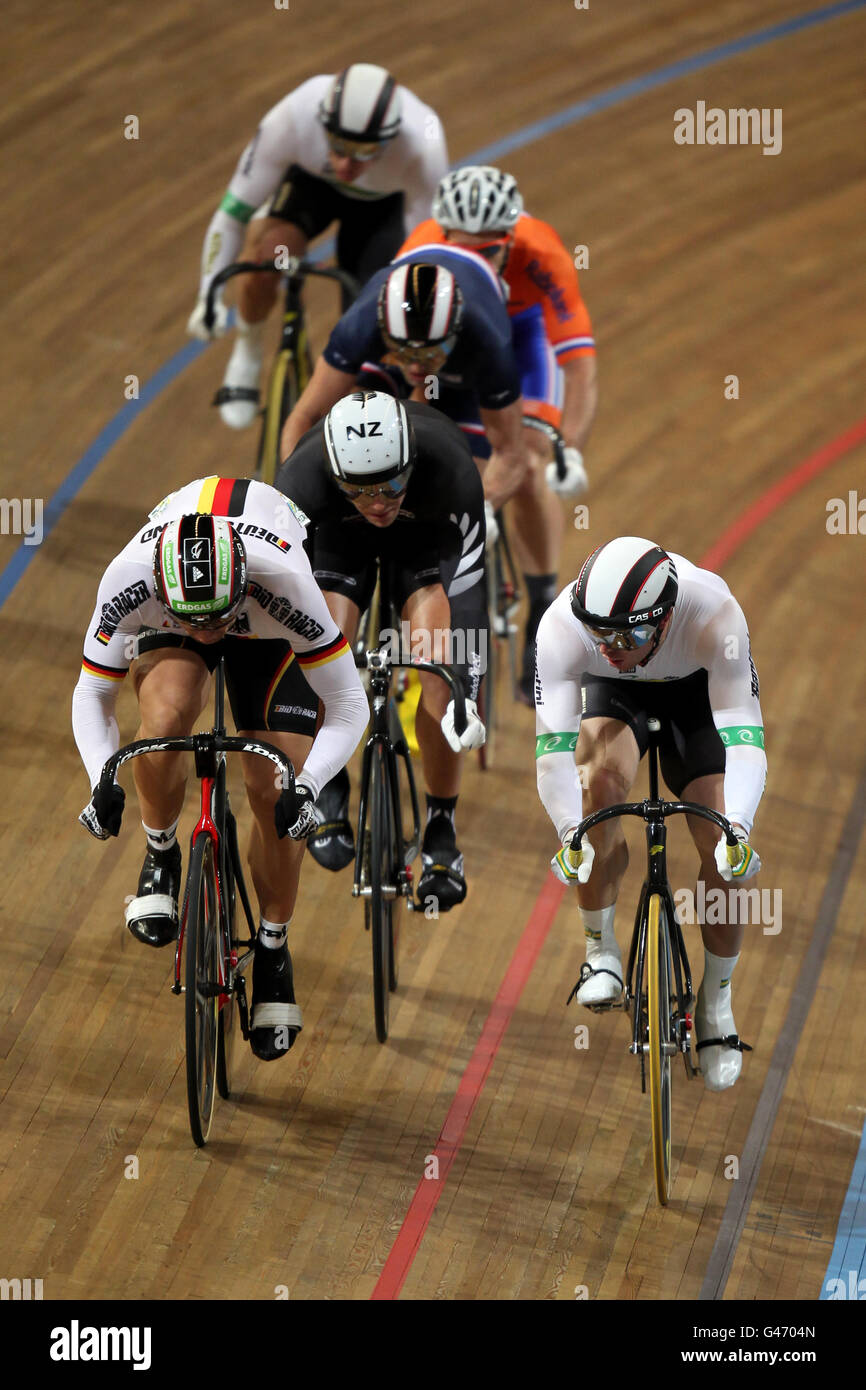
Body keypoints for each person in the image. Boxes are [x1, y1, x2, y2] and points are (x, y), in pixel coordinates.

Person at [72, 478, 368, 1062]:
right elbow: (92, 694)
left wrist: (307, 787)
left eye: (218, 619)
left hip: (264, 624)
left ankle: (274, 946)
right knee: (162, 722)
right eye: (197, 624)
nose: (209, 634)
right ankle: (161, 854)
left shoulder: (284, 582)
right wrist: (99, 777)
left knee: (275, 783)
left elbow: (350, 704)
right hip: (184, 611)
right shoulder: (130, 578)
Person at [534, 536, 766, 1091]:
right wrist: (570, 831)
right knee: (599, 788)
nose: (612, 645)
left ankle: (716, 1001)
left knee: (724, 852)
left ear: (663, 621)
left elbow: (746, 738)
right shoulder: (565, 629)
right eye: (601, 633)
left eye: (630, 634)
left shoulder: (714, 615)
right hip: (614, 695)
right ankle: (599, 948)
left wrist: (740, 827)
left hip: (694, 695)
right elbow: (552, 753)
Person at [276, 390, 488, 909]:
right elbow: (286, 598)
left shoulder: (450, 470)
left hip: (425, 540)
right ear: (334, 474)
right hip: (336, 538)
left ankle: (441, 826)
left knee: (438, 679)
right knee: (325, 646)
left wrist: (463, 686)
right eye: (361, 489)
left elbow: (466, 597)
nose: (378, 501)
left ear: (411, 461)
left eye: (392, 483)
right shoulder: (300, 482)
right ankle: (329, 783)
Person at [399, 165, 598, 703]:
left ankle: (541, 604)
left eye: (489, 252)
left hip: (521, 340)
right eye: (463, 249)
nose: (475, 263)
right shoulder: (418, 253)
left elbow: (578, 365)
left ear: (511, 240)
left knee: (531, 464)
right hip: (454, 343)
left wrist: (569, 448)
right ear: (442, 237)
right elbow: (402, 357)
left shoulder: (543, 252)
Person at [186, 64, 448, 428]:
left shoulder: (423, 144)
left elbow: (425, 251)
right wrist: (209, 295)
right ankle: (247, 351)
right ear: (323, 124)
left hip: (380, 208)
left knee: (371, 321)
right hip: (310, 187)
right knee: (267, 258)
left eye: (363, 152)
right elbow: (231, 216)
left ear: (390, 140)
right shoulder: (293, 116)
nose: (345, 164)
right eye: (338, 146)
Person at [278, 252, 531, 514]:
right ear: (384, 331)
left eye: (427, 354)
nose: (415, 367)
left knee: (464, 481)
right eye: (406, 353)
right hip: (395, 360)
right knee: (353, 418)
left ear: (454, 333)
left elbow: (511, 454)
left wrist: (482, 511)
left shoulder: (487, 344)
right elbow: (306, 416)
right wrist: (298, 503)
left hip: (460, 372)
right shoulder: (360, 326)